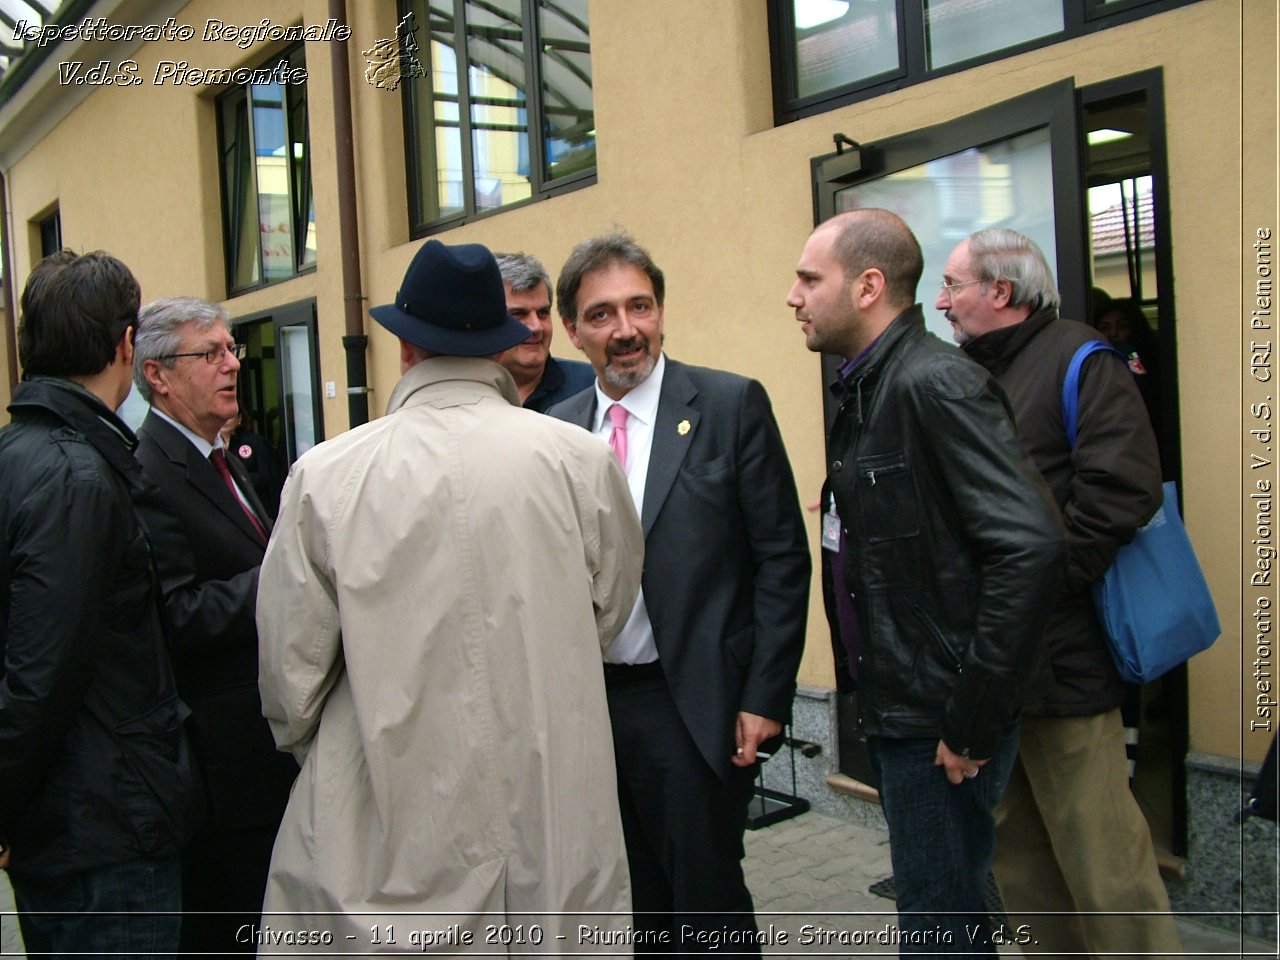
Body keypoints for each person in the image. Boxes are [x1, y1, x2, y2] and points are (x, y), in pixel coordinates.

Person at [256, 240, 642, 947]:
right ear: (500, 345)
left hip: (388, 807)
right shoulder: (579, 461)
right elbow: (607, 613)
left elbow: (289, 676)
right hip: (552, 791)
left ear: (406, 347)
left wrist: (339, 751)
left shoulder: (325, 475)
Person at [789, 210, 1064, 955]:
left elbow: (1031, 548)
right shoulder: (868, 388)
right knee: (945, 915)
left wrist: (971, 717)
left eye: (810, 278)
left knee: (942, 930)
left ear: (870, 285)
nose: (794, 296)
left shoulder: (934, 385)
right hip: (904, 709)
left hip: (939, 723)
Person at [550, 231, 810, 953]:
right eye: (601, 314)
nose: (625, 329)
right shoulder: (554, 434)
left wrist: (765, 696)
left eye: (640, 306)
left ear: (662, 311)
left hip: (695, 705)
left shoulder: (729, 406)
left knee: (707, 902)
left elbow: (783, 560)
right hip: (593, 711)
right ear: (573, 330)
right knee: (632, 906)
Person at [937, 226, 1180, 958]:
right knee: (1021, 863)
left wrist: (1039, 590)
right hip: (994, 671)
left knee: (1103, 862)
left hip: (1066, 661)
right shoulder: (972, 373)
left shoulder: (1080, 358)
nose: (942, 304)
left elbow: (1122, 491)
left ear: (999, 292)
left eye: (952, 286)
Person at [0, 250, 191, 956]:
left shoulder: (23, 455)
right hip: (102, 830)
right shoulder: (75, 477)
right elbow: (42, 674)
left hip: (78, 821)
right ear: (126, 345)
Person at [132, 297, 298, 955]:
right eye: (211, 354)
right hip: (220, 779)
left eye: (231, 350)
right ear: (158, 375)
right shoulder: (151, 470)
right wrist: (284, 579)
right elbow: (178, 614)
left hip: (263, 762)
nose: (232, 365)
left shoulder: (223, 458)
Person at [494, 250, 595, 412]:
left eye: (543, 313)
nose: (536, 327)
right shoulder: (465, 393)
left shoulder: (592, 386)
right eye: (519, 314)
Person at [222, 400, 287, 521]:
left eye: (229, 417)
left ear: (239, 419)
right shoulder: (217, 446)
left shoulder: (254, 442)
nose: (225, 421)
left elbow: (266, 475)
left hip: (261, 507)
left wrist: (237, 481)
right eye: (221, 417)